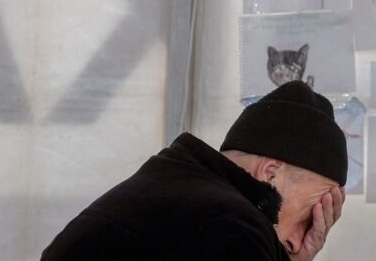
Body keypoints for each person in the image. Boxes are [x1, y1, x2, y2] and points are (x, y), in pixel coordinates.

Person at [41, 81, 348, 261]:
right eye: (309, 217)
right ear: (270, 174)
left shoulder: (170, 185)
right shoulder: (233, 226)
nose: (298, 242)